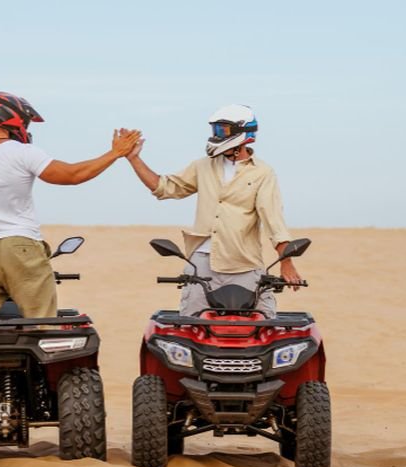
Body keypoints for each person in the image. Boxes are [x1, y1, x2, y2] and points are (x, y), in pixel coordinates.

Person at [0, 91, 140, 319]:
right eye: (26, 122)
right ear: (15, 119)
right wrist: (115, 153)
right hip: (22, 247)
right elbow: (72, 175)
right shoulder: (25, 153)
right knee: (42, 323)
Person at [123, 104, 301, 318]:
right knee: (191, 323)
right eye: (215, 129)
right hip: (201, 263)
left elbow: (274, 221)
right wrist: (134, 158)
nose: (217, 135)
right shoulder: (202, 166)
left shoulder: (263, 173)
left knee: (262, 321)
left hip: (244, 263)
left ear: (242, 133)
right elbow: (164, 187)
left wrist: (286, 262)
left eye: (222, 130)